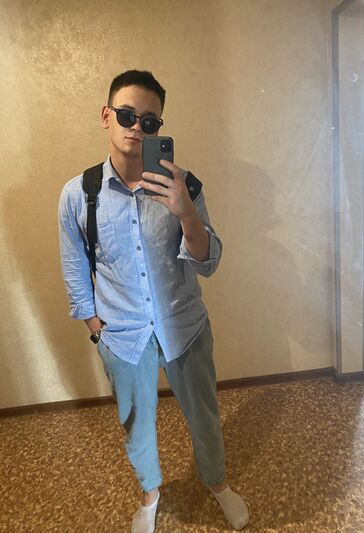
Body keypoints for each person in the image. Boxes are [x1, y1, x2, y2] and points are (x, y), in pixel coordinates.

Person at [58, 70, 249, 533]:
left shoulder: (185, 186)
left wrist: (185, 212)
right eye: (127, 115)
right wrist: (96, 331)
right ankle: (150, 494)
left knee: (204, 416)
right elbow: (75, 269)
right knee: (136, 424)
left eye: (149, 122)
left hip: (185, 327)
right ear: (107, 116)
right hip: (122, 336)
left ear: (158, 128)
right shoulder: (79, 194)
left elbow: (208, 262)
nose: (136, 128)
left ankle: (218, 483)